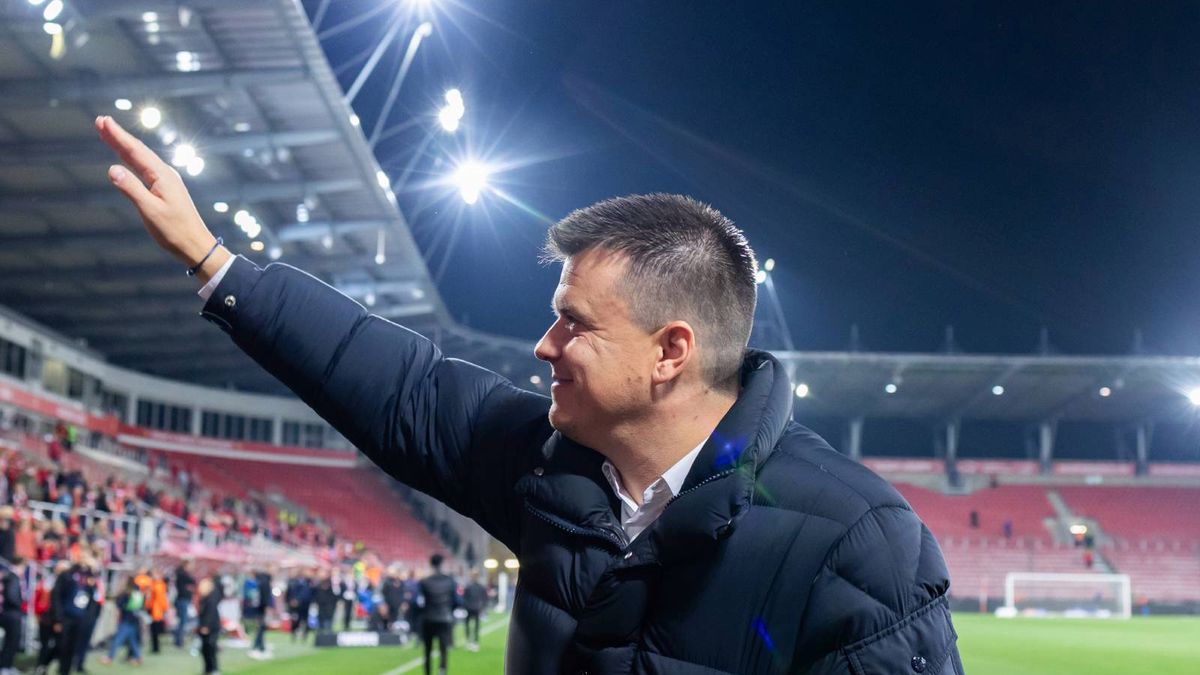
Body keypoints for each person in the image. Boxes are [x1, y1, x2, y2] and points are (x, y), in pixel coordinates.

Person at [97, 117, 962, 673]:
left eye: (574, 323)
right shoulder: (548, 465)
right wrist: (216, 262)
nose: (544, 346)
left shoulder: (859, 543)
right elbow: (398, 383)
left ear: (670, 352)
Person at [417, 554, 456, 675]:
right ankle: (442, 671)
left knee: (427, 649)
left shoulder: (424, 582)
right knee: (443, 648)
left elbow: (418, 602)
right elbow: (456, 601)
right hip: (444, 618)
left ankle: (428, 672)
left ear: (431, 564)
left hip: (428, 619)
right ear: (442, 564)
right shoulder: (450, 581)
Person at [100, 578, 143, 666]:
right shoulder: (138, 593)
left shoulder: (126, 593)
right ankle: (138, 657)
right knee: (132, 640)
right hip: (135, 619)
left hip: (126, 619)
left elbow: (119, 604)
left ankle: (109, 657)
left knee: (118, 640)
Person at [0, 557, 24, 675]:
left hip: (8, 613)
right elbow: (12, 596)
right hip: (12, 614)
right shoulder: (13, 577)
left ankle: (7, 666)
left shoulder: (8, 576)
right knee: (12, 641)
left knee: (11, 641)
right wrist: (20, 604)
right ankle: (5, 667)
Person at [196, 578, 221, 675]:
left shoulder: (212, 598)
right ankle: (208, 669)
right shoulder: (204, 597)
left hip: (211, 626)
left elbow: (210, 613)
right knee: (205, 649)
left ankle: (214, 669)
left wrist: (206, 626)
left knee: (211, 648)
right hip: (204, 625)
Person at [460, 571, 487, 652]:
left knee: (472, 626)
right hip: (474, 609)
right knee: (474, 626)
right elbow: (484, 599)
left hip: (472, 608)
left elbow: (464, 598)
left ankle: (472, 642)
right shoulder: (476, 587)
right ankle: (473, 642)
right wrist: (482, 607)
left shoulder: (470, 586)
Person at [172, 560, 196, 648]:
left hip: (182, 600)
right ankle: (179, 640)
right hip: (182, 600)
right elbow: (193, 581)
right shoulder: (182, 574)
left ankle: (178, 638)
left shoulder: (180, 574)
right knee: (183, 621)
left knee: (182, 621)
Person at [147, 569, 170, 654]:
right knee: (153, 630)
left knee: (155, 630)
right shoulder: (154, 584)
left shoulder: (159, 585)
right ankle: (155, 647)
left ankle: (156, 647)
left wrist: (163, 609)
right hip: (153, 609)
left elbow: (160, 599)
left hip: (156, 610)